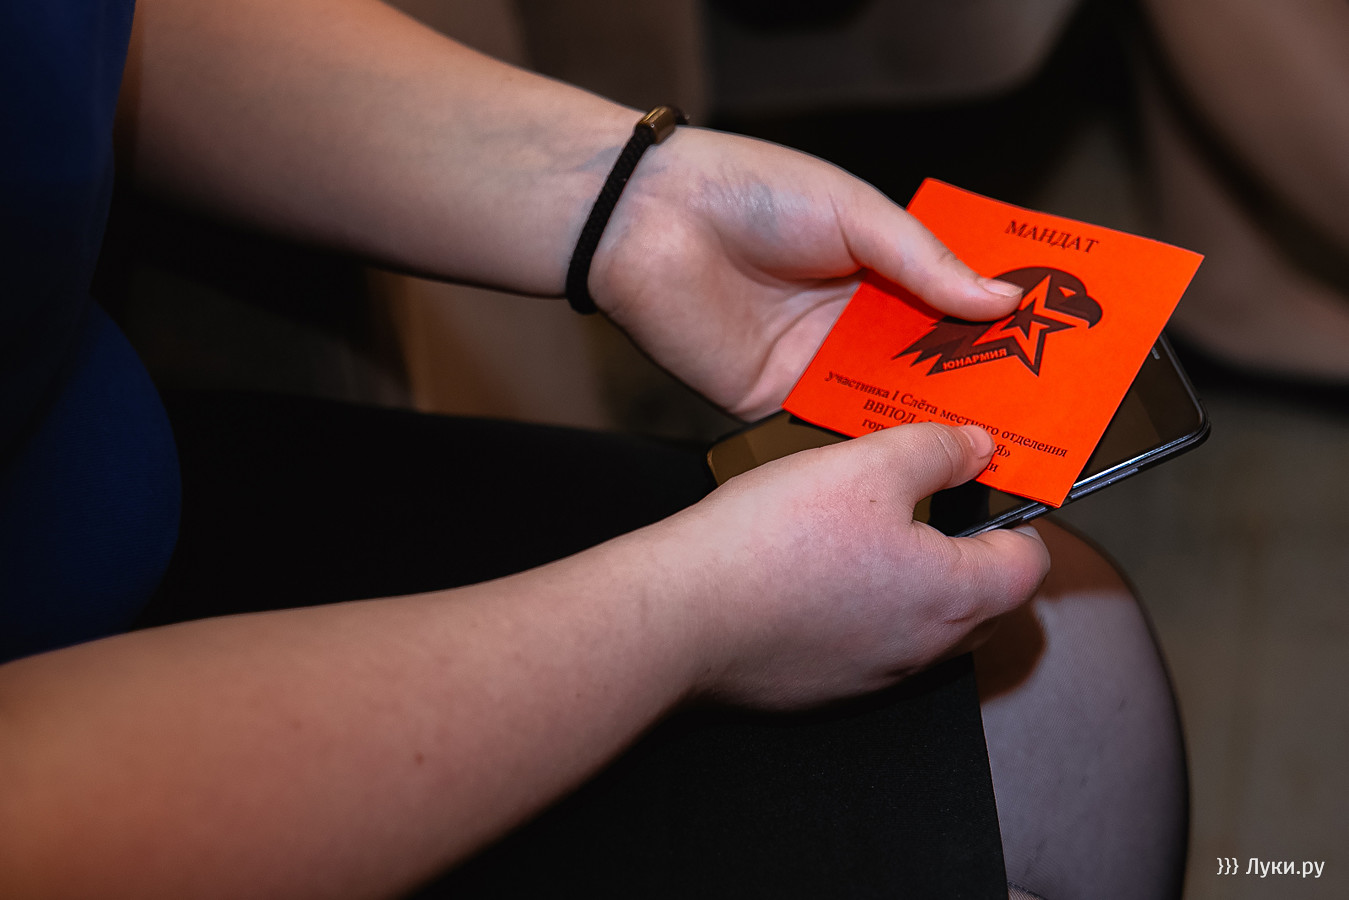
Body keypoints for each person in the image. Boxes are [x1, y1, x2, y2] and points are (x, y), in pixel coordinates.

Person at [0, 0, 1186, 897]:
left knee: (1068, 653)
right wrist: (697, 617)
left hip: (98, 463)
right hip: (103, 762)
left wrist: (628, 202)